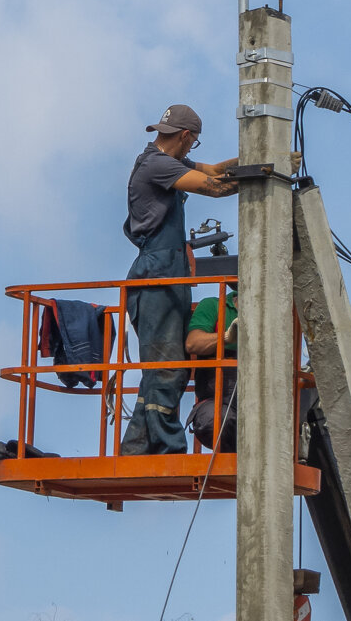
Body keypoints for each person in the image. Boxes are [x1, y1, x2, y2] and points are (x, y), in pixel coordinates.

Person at [120, 104, 238, 455]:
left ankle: (135, 449)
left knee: (165, 366)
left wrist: (258, 158)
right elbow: (214, 186)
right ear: (186, 136)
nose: (191, 149)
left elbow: (214, 169)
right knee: (167, 367)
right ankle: (167, 447)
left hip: (169, 275)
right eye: (193, 142)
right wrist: (265, 176)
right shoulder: (156, 165)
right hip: (156, 275)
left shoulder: (168, 161)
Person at [185, 287, 239, 452]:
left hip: (260, 402)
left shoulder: (275, 314)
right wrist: (226, 337)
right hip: (217, 400)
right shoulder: (214, 306)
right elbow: (193, 343)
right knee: (215, 421)